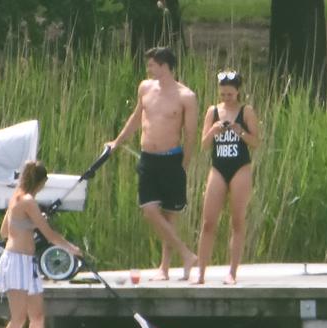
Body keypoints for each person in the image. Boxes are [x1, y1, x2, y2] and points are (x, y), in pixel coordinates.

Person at [106, 46, 198, 281]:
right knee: (149, 210)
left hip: (171, 159)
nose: (148, 69)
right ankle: (186, 254)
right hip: (148, 158)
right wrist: (117, 142)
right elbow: (137, 118)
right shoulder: (145, 88)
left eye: (152, 65)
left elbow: (190, 134)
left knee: (169, 216)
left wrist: (184, 164)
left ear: (164, 66)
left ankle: (165, 268)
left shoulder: (186, 96)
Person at [0, 161, 82, 328]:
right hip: (15, 262)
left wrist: (31, 222)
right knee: (18, 318)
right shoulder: (27, 200)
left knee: (37, 316)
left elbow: (5, 231)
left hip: (28, 263)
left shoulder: (17, 198)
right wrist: (71, 249)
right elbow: (50, 235)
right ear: (40, 182)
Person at [193, 71, 260, 285]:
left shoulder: (246, 111)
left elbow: (256, 142)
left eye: (230, 94)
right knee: (208, 222)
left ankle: (232, 272)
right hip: (218, 166)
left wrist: (240, 131)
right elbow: (203, 145)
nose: (226, 98)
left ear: (238, 92)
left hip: (240, 166)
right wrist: (213, 130)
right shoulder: (213, 111)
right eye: (223, 94)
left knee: (237, 220)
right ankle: (201, 273)